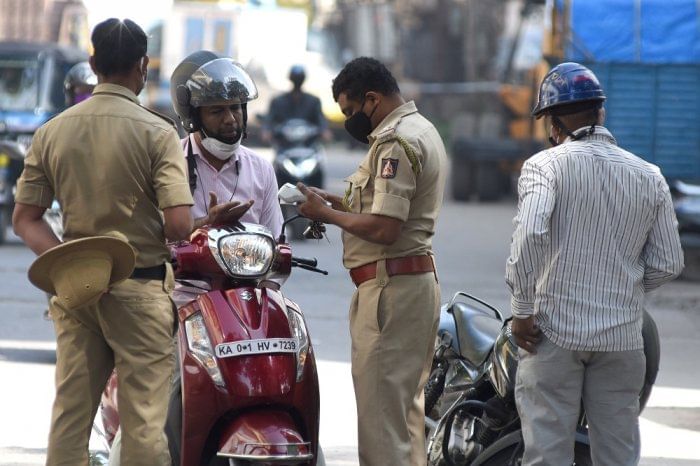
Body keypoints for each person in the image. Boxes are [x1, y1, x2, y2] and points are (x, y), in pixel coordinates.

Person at [12, 18, 193, 466]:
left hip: (77, 291)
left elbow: (25, 220)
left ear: (92, 64)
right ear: (143, 67)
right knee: (144, 422)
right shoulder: (157, 132)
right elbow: (180, 225)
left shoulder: (53, 130)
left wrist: (71, 264)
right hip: (141, 289)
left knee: (70, 418)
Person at [505, 62, 684, 466]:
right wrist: (623, 286)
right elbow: (669, 261)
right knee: (618, 454)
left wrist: (521, 311)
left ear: (552, 124)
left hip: (553, 334)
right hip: (622, 338)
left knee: (548, 451)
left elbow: (531, 235)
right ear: (600, 112)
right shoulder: (649, 175)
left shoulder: (545, 166)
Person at [297, 56, 447, 466]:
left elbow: (384, 228)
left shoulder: (393, 141)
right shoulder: (421, 128)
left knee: (381, 427)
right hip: (411, 286)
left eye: (350, 111)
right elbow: (382, 206)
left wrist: (325, 215)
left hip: (390, 293)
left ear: (372, 99)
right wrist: (335, 201)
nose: (349, 120)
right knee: (403, 419)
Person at [170, 50, 283, 239]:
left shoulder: (261, 169)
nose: (230, 119)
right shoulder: (170, 164)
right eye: (217, 111)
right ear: (194, 117)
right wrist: (208, 222)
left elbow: (276, 241)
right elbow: (158, 239)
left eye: (235, 108)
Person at [262, 64, 332, 144]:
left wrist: (324, 130)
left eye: (299, 78)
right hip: (285, 144)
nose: (297, 81)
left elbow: (320, 119)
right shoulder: (278, 101)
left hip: (308, 143)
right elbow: (269, 119)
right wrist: (266, 131)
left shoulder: (313, 101)